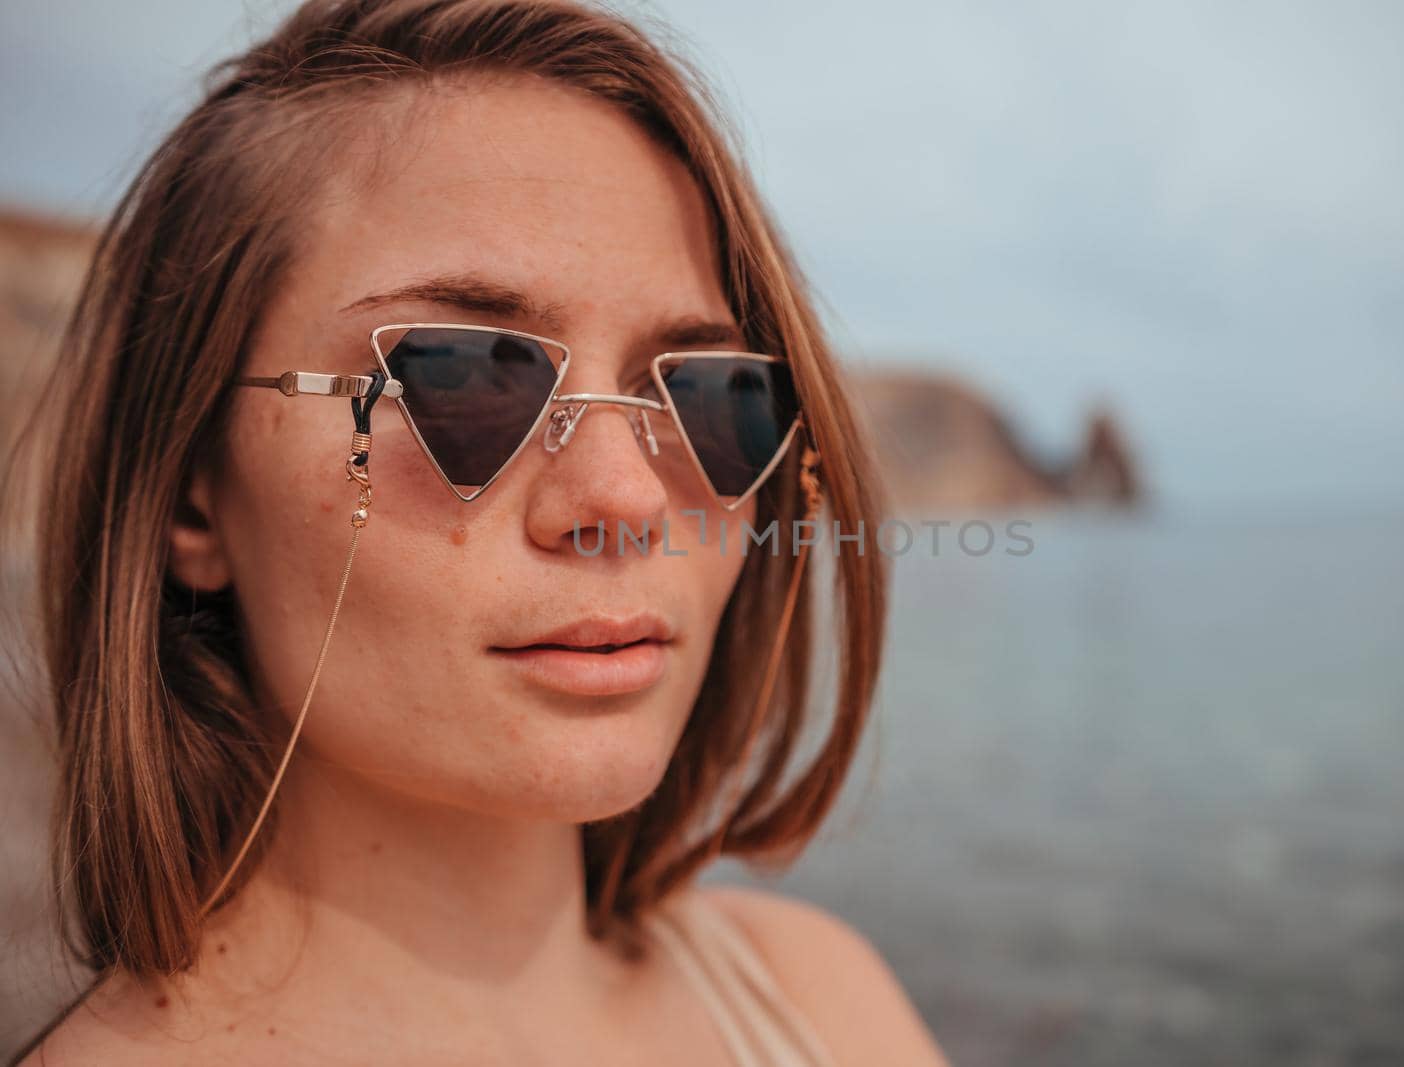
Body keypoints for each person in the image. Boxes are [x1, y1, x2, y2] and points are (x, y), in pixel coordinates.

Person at [5, 1, 949, 1063]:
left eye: (707, 391)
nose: (627, 497)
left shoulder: (816, 997)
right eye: (457, 377)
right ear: (190, 492)